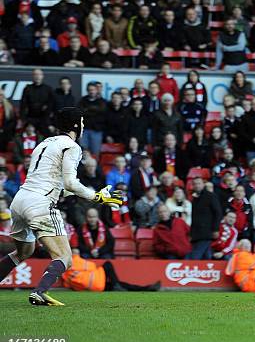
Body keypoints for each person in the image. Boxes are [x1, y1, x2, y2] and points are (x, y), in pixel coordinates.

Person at [0, 108, 122, 306]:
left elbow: (55, 185)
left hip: (20, 200)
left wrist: (93, 193)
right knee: (65, 257)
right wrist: (97, 197)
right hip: (40, 204)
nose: (83, 126)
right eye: (82, 122)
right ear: (75, 125)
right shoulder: (72, 147)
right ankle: (39, 292)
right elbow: (70, 183)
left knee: (23, 252)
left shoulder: (44, 143)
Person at [62, 249, 160, 292]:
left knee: (123, 285)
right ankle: (117, 285)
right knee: (108, 264)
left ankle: (148, 288)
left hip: (98, 288)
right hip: (99, 280)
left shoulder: (66, 275)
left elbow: (72, 286)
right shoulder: (75, 261)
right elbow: (92, 266)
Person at [188, 177, 222, 260]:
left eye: (199, 183)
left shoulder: (210, 196)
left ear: (203, 184)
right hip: (196, 233)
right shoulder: (194, 198)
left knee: (195, 256)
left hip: (207, 231)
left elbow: (218, 213)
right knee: (206, 256)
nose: (197, 186)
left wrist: (216, 229)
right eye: (195, 184)